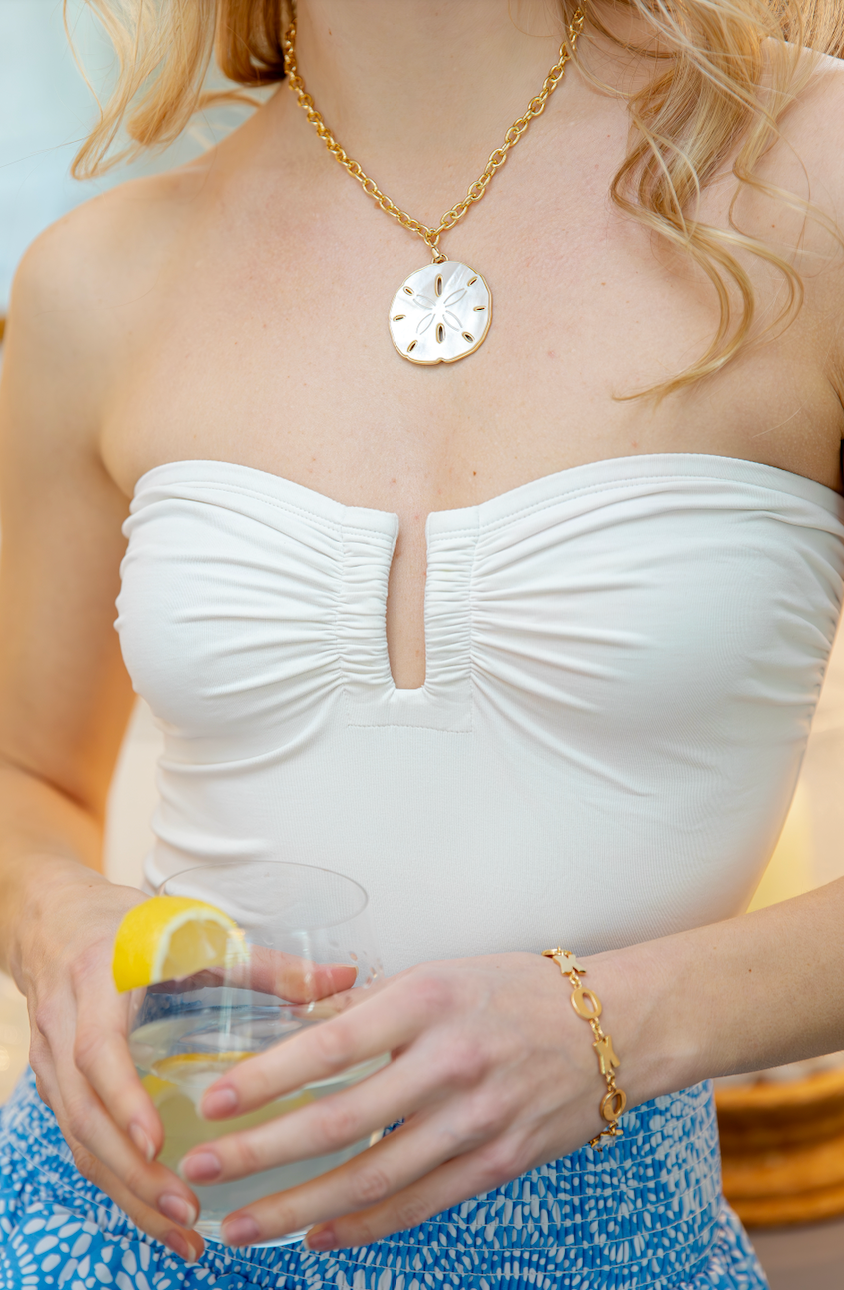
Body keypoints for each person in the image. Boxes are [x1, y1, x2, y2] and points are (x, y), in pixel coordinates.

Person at [1, 1, 844, 1286]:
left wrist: (613, 1026)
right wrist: (62, 928)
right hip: (111, 1227)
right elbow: (24, 774)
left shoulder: (818, 176)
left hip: (606, 1246)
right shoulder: (97, 275)